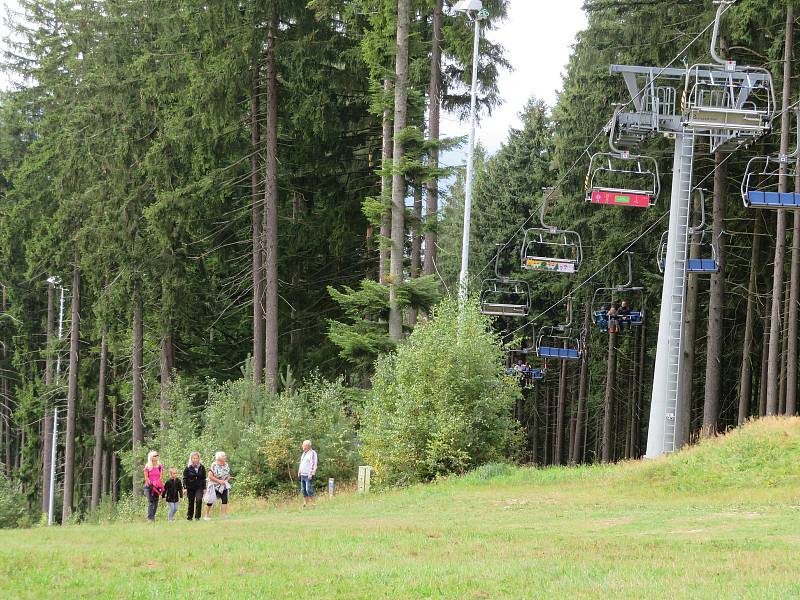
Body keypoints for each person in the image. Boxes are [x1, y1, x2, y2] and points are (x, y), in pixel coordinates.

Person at [204, 451, 231, 521]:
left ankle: (223, 515)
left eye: (225, 456)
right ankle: (206, 515)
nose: (225, 457)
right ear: (219, 458)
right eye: (224, 456)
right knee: (210, 500)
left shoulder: (226, 465)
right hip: (214, 485)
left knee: (225, 499)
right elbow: (209, 476)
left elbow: (227, 474)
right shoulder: (214, 465)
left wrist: (228, 478)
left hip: (223, 485)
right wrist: (218, 481)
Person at [183, 451, 207, 521]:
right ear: (191, 459)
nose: (195, 459)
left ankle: (197, 517)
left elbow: (203, 478)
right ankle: (189, 517)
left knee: (199, 500)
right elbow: (184, 478)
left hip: (199, 487)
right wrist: (184, 488)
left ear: (199, 459)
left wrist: (204, 488)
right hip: (190, 487)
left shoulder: (202, 467)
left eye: (197, 458)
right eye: (194, 458)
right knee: (191, 502)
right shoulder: (187, 468)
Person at [143, 450, 164, 522]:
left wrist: (157, 484)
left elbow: (161, 476)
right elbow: (146, 477)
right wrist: (151, 484)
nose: (156, 456)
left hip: (157, 486)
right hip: (149, 487)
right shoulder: (147, 466)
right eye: (155, 456)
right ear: (151, 457)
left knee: (156, 502)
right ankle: (150, 518)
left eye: (157, 455)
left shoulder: (160, 466)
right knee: (151, 502)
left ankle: (153, 517)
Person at [298, 440, 318, 508]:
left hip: (308, 475)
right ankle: (305, 504)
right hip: (302, 475)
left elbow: (313, 464)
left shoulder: (312, 453)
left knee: (309, 490)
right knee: (303, 490)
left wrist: (311, 474)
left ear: (307, 446)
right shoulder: (304, 453)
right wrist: (299, 471)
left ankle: (314, 504)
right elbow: (301, 463)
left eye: (303, 445)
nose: (302, 446)